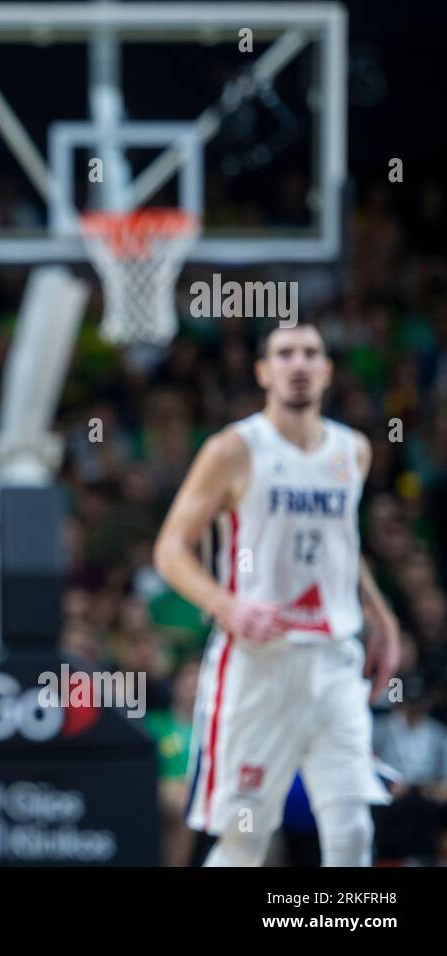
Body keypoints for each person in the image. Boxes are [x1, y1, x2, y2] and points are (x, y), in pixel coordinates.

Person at [154, 323, 401, 866]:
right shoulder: (233, 449)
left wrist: (381, 615)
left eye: (311, 352)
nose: (299, 363)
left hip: (335, 657)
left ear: (327, 370)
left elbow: (342, 542)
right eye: (285, 353)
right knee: (244, 838)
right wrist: (228, 606)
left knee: (353, 828)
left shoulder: (351, 452)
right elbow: (170, 550)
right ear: (264, 372)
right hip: (257, 661)